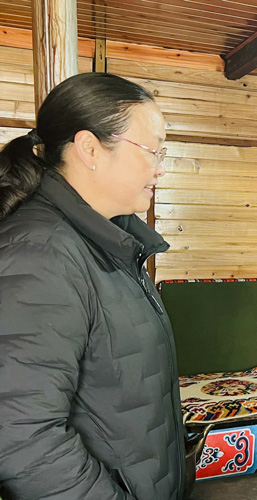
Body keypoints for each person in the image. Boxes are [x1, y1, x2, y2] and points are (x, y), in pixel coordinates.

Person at [0, 73, 184, 499]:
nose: (160, 168)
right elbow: (22, 439)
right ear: (89, 149)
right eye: (153, 150)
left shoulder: (109, 243)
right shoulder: (41, 254)